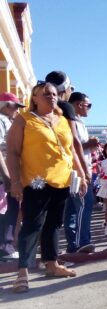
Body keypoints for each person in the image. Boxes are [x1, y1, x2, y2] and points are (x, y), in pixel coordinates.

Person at [8, 82, 88, 293]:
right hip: (36, 181)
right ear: (35, 98)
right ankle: (22, 271)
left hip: (62, 180)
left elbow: (71, 149)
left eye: (53, 94)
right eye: (46, 94)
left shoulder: (62, 120)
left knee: (54, 224)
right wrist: (15, 181)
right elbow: (13, 152)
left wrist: (81, 174)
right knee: (32, 224)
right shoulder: (24, 119)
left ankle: (51, 264)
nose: (52, 97)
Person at [63, 92, 98, 253]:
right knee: (85, 203)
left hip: (79, 169)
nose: (89, 109)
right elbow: (70, 147)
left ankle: (73, 242)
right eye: (88, 105)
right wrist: (88, 144)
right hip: (77, 171)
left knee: (71, 207)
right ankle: (82, 241)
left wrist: (89, 145)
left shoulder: (79, 123)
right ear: (78, 104)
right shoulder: (70, 122)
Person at [0, 92, 25, 260]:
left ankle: (6, 246)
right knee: (7, 210)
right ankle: (5, 248)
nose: (18, 111)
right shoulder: (2, 121)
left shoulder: (7, 121)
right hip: (4, 175)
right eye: (16, 107)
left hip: (7, 173)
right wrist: (7, 176)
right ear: (7, 106)